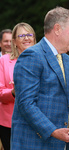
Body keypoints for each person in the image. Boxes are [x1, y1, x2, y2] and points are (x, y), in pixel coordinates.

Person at [11, 7, 69, 150]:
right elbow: (26, 103)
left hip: (60, 144)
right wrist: (54, 131)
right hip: (33, 143)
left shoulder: (68, 62)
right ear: (57, 29)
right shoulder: (32, 56)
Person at [0, 22, 36, 150]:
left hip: (36, 123)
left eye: (29, 34)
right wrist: (14, 92)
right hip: (9, 123)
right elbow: (0, 93)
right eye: (22, 35)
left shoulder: (43, 60)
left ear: (34, 39)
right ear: (14, 41)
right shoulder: (3, 61)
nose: (26, 38)